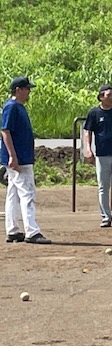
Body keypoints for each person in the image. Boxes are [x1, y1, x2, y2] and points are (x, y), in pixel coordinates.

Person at [1, 76, 51, 244]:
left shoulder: (18, 107)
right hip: (19, 158)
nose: (29, 91)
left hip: (21, 156)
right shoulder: (11, 107)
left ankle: (13, 230)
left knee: (14, 194)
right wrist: (13, 156)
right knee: (27, 193)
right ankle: (32, 231)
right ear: (18, 90)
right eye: (27, 88)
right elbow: (5, 131)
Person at [83, 85, 112, 228]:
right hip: (102, 155)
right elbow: (87, 132)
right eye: (109, 95)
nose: (111, 98)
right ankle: (106, 216)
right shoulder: (94, 113)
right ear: (101, 97)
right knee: (103, 187)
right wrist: (88, 150)